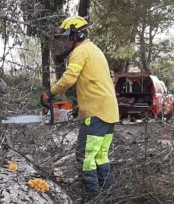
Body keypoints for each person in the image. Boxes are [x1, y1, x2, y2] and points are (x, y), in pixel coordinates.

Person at [42, 15, 119, 201]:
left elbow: (69, 78)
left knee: (85, 157)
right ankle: (109, 198)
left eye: (68, 36)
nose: (66, 41)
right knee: (101, 157)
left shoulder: (80, 51)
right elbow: (95, 83)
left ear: (77, 35)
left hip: (96, 114)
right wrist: (79, 107)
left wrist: (49, 93)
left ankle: (91, 200)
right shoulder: (95, 50)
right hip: (108, 112)